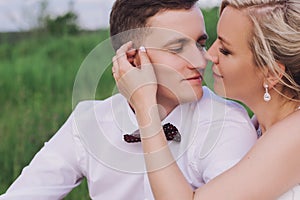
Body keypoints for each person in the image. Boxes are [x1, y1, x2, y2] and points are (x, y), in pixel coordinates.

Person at [0, 0, 258, 200]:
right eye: (177, 48)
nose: (201, 61)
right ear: (133, 59)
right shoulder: (89, 121)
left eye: (200, 44)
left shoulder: (226, 123)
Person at [113, 0, 300, 199]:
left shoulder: (294, 133)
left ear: (271, 72)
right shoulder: (261, 126)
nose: (208, 56)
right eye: (212, 42)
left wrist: (145, 106)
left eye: (226, 50)